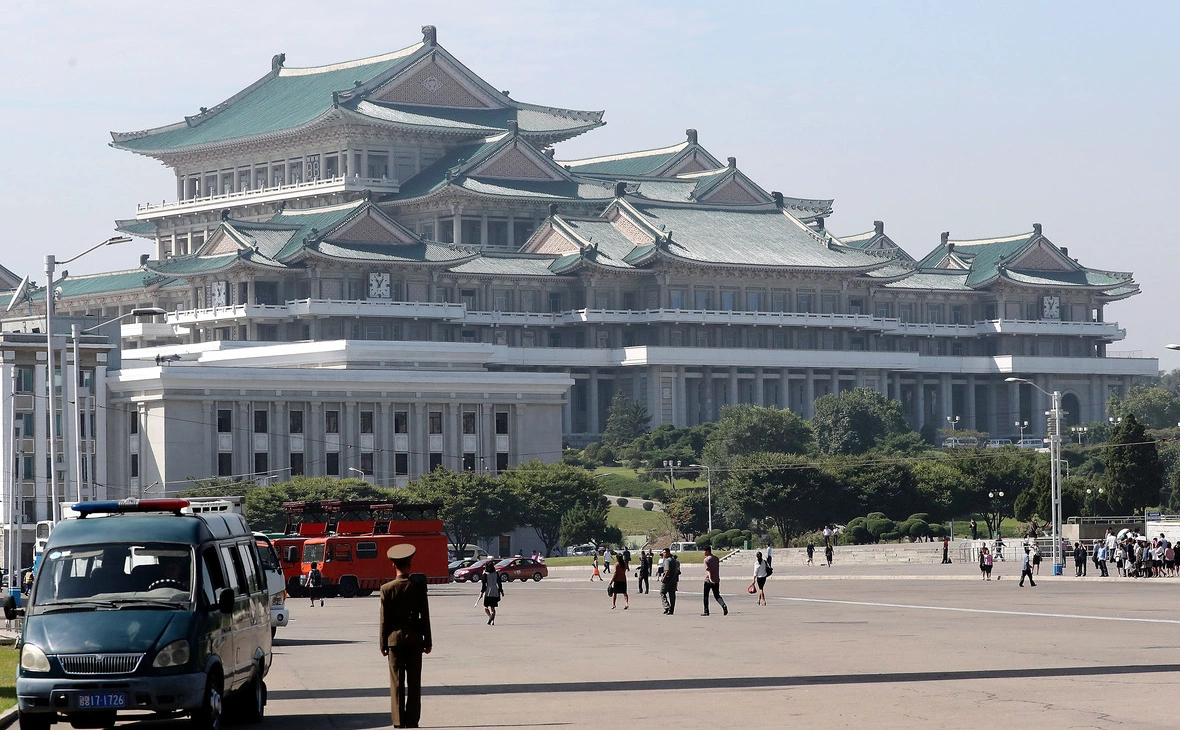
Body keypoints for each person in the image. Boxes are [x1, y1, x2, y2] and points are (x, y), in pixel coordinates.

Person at [379, 544, 432, 729]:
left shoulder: (386, 589)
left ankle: (398, 720)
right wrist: (428, 641)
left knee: (397, 682)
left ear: (393, 565)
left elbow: (384, 620)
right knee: (414, 682)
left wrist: (383, 643)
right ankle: (412, 720)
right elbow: (425, 616)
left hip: (394, 641)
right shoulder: (418, 587)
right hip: (415, 640)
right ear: (410, 565)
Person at [701, 545, 728, 616]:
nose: (703, 552)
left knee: (706, 596)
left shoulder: (706, 560)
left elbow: (708, 570)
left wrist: (710, 579)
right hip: (716, 579)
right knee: (717, 595)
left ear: (707, 551)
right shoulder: (716, 558)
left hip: (708, 580)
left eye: (704, 551)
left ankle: (706, 611)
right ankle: (723, 605)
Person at [480, 561, 505, 625]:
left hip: (488, 591)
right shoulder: (496, 573)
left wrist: (481, 593)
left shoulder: (485, 574)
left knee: (485, 606)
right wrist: (501, 591)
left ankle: (490, 616)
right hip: (495, 590)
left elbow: (483, 585)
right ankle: (493, 621)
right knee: (493, 607)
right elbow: (499, 583)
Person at [659, 548, 680, 615]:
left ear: (667, 553)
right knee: (672, 595)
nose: (663, 554)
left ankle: (667, 606)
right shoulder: (674, 560)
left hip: (667, 580)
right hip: (674, 580)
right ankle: (671, 610)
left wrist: (664, 578)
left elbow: (667, 571)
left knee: (662, 592)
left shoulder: (667, 560)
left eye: (664, 553)